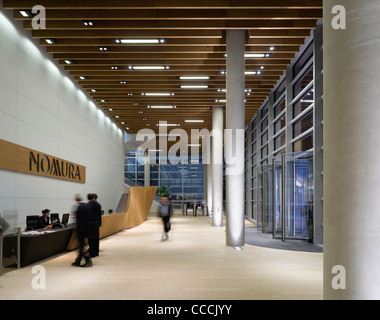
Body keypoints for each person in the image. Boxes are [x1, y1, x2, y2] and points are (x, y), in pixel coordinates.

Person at [71, 194, 93, 267]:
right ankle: (78, 261)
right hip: (87, 229)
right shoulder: (87, 206)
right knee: (82, 246)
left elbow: (78, 220)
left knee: (81, 246)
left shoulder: (78, 207)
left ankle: (88, 260)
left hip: (80, 229)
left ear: (76, 199)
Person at [87, 193, 102, 257]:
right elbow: (99, 215)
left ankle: (92, 253)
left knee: (91, 239)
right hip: (97, 223)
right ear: (94, 198)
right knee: (96, 239)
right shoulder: (98, 205)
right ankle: (96, 252)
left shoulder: (87, 205)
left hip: (90, 224)